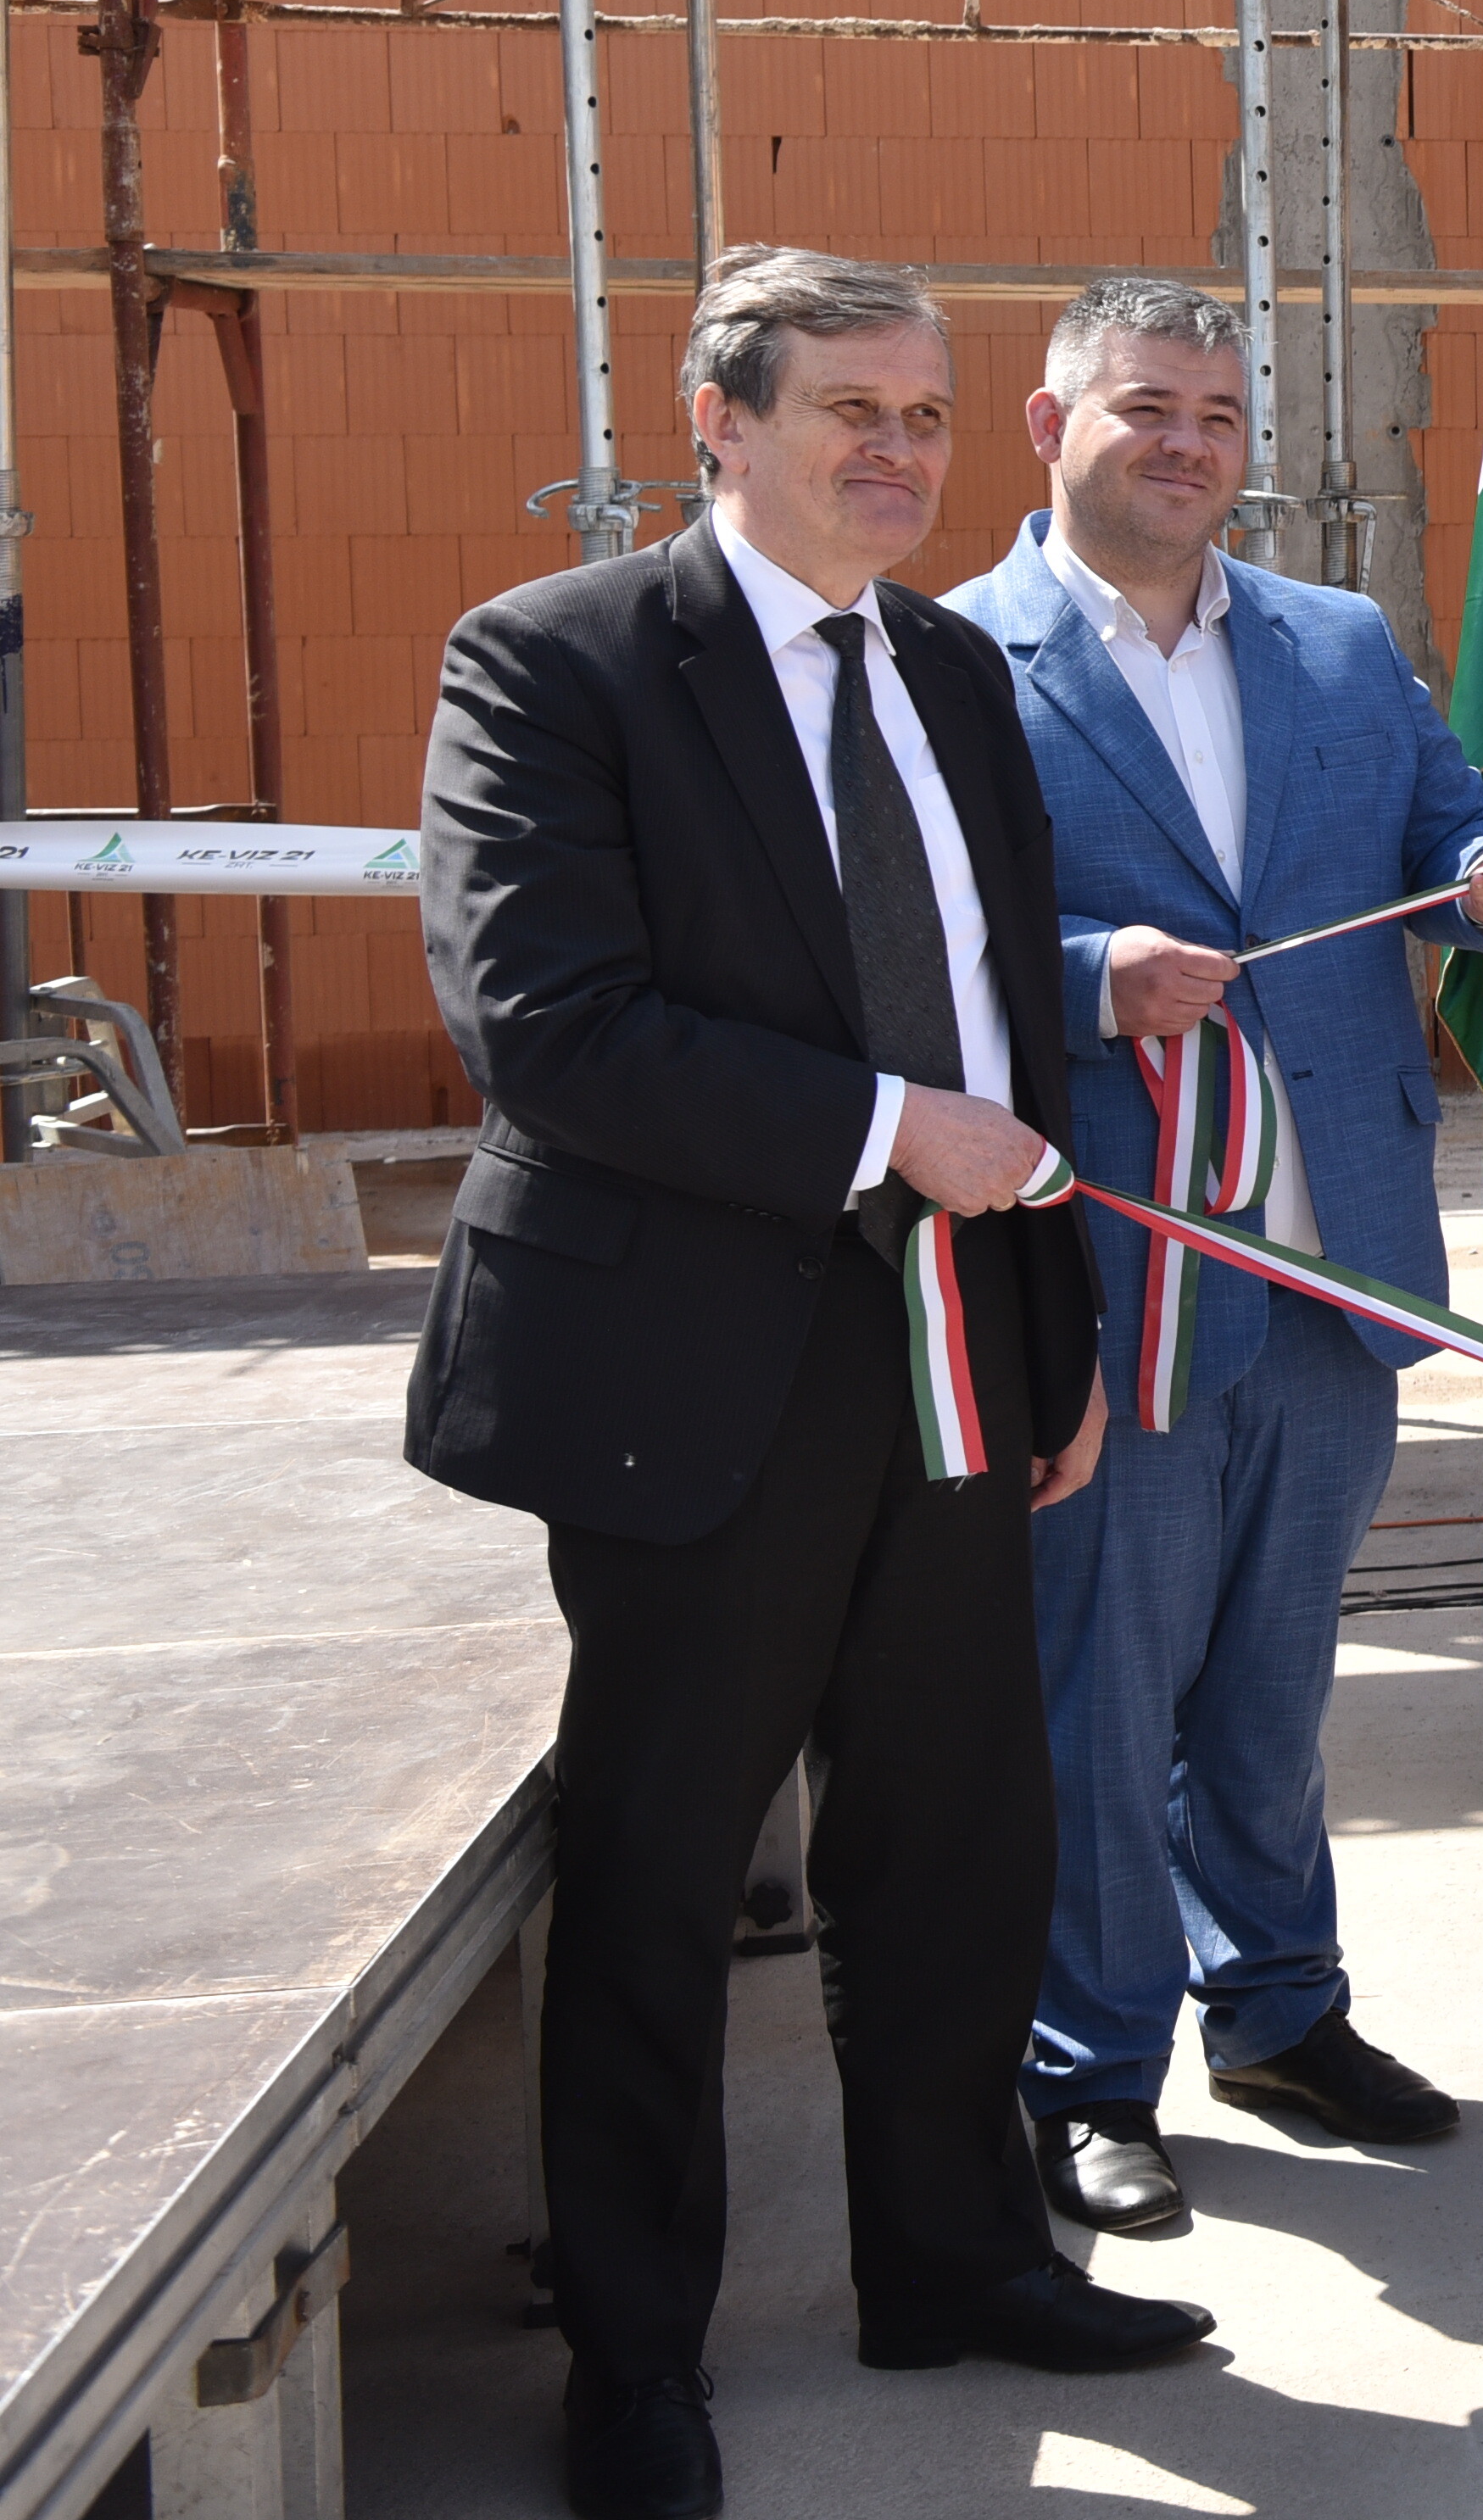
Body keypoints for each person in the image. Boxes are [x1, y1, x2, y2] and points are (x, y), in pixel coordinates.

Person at [410, 249, 1209, 2520]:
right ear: (718, 418)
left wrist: (1053, 1341)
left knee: (956, 1836)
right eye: (851, 407)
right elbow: (546, 1023)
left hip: (954, 1345)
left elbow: (1003, 1024)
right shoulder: (558, 662)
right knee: (665, 1874)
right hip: (694, 1362)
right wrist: (879, 1132)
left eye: (928, 414)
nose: (899, 451)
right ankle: (635, 2359)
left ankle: (954, 2259)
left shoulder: (947, 669)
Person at [951, 277, 1483, 2234]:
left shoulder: (1334, 640)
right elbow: (918, 941)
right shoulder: (954, 658)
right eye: (1147, 406)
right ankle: (1091, 2071)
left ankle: (1282, 2011)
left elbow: (1444, 830)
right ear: (1049, 420)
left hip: (1333, 1260)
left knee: (1275, 1678)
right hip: (1115, 1271)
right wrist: (1089, 978)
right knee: (1100, 1687)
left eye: (1219, 416)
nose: (1188, 444)